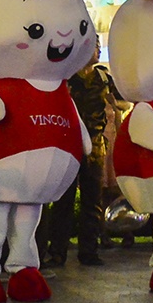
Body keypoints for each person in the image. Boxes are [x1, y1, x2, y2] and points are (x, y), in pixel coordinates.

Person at [38, 61, 116, 268]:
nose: (97, 50)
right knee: (64, 200)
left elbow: (120, 100)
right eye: (94, 46)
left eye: (99, 46)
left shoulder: (103, 78)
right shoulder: (67, 76)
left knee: (93, 201)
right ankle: (57, 251)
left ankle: (89, 251)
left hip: (96, 144)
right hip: (70, 142)